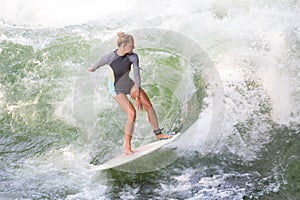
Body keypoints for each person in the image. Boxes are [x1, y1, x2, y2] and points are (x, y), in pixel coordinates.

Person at [88, 32, 171, 155]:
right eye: (131, 46)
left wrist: (137, 95)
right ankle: (127, 147)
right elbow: (97, 64)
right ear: (124, 46)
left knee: (148, 105)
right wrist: (93, 68)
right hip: (116, 88)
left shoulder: (133, 57)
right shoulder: (109, 57)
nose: (134, 48)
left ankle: (158, 134)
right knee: (132, 113)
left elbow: (137, 75)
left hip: (129, 84)